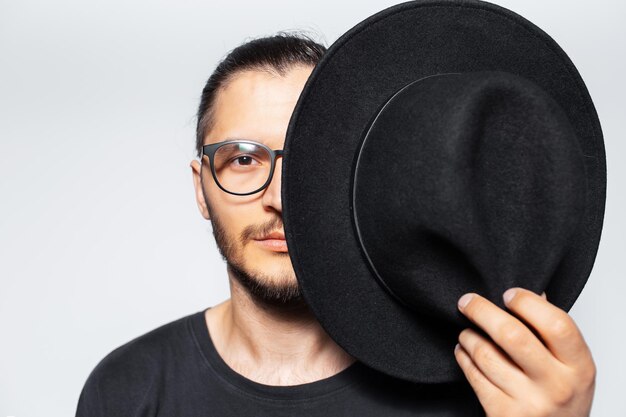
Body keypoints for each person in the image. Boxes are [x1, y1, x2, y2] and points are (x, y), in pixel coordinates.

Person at [75, 32, 596, 417]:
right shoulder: (128, 388)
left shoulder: (485, 390)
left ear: (354, 183)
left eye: (306, 161)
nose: (279, 198)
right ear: (200, 188)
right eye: (242, 160)